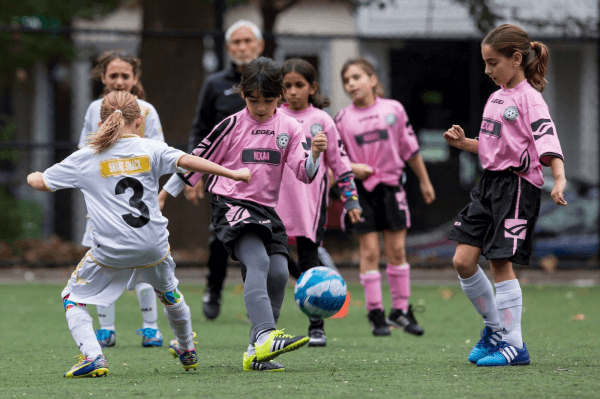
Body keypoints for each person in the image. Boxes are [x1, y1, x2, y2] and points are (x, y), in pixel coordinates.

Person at [27, 91, 250, 378]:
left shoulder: (85, 158)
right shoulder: (151, 149)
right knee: (170, 295)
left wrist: (33, 175)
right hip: (153, 247)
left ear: (101, 121)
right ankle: (186, 349)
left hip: (111, 251)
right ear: (140, 119)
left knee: (72, 297)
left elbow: (42, 182)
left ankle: (94, 356)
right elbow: (189, 161)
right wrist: (232, 173)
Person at [160, 57, 326, 372]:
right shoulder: (232, 125)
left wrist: (316, 154)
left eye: (268, 100)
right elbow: (195, 159)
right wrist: (166, 194)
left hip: (266, 210)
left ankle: (256, 350)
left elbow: (304, 174)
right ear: (243, 95)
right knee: (259, 262)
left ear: (280, 96)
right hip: (231, 204)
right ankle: (265, 334)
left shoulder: (289, 128)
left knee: (279, 273)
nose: (260, 107)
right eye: (253, 100)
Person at [443, 24, 566, 367]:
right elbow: (495, 147)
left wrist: (558, 178)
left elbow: (546, 140)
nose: (487, 69)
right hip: (489, 185)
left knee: (500, 261)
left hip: (517, 189)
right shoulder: (496, 96)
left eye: (492, 62)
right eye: (484, 62)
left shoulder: (530, 99)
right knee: (463, 261)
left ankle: (515, 345)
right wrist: (464, 143)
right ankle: (495, 329)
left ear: (516, 59)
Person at [335, 57, 435, 337]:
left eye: (356, 77)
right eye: (346, 80)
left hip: (392, 188)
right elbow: (337, 159)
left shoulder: (393, 110)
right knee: (369, 252)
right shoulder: (343, 118)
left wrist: (425, 181)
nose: (351, 84)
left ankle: (400, 310)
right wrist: (355, 170)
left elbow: (409, 148)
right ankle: (376, 313)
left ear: (373, 79)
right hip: (360, 191)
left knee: (397, 251)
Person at [78, 50, 165, 348]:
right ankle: (106, 329)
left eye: (124, 76)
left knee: (144, 264)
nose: (118, 81)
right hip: (104, 204)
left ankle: (151, 327)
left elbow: (159, 153)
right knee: (103, 262)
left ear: (135, 78)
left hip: (136, 203)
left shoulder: (147, 111)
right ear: (103, 78)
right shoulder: (94, 109)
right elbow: (85, 151)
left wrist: (159, 195)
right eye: (112, 75)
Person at [276, 58, 362, 347]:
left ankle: (316, 325)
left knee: (310, 261)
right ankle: (268, 325)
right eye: (286, 86)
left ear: (312, 88)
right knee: (271, 257)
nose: (292, 91)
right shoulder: (274, 118)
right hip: (274, 203)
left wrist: (351, 201)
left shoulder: (323, 121)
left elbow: (340, 163)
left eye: (299, 85)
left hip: (309, 207)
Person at [184, 20, 265, 321]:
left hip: (265, 174)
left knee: (263, 234)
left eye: (248, 41)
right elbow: (200, 131)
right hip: (223, 175)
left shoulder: (273, 81)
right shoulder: (215, 84)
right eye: (237, 43)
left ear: (260, 46)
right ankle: (213, 289)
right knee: (221, 237)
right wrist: (194, 175)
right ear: (229, 48)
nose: (242, 47)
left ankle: (257, 298)